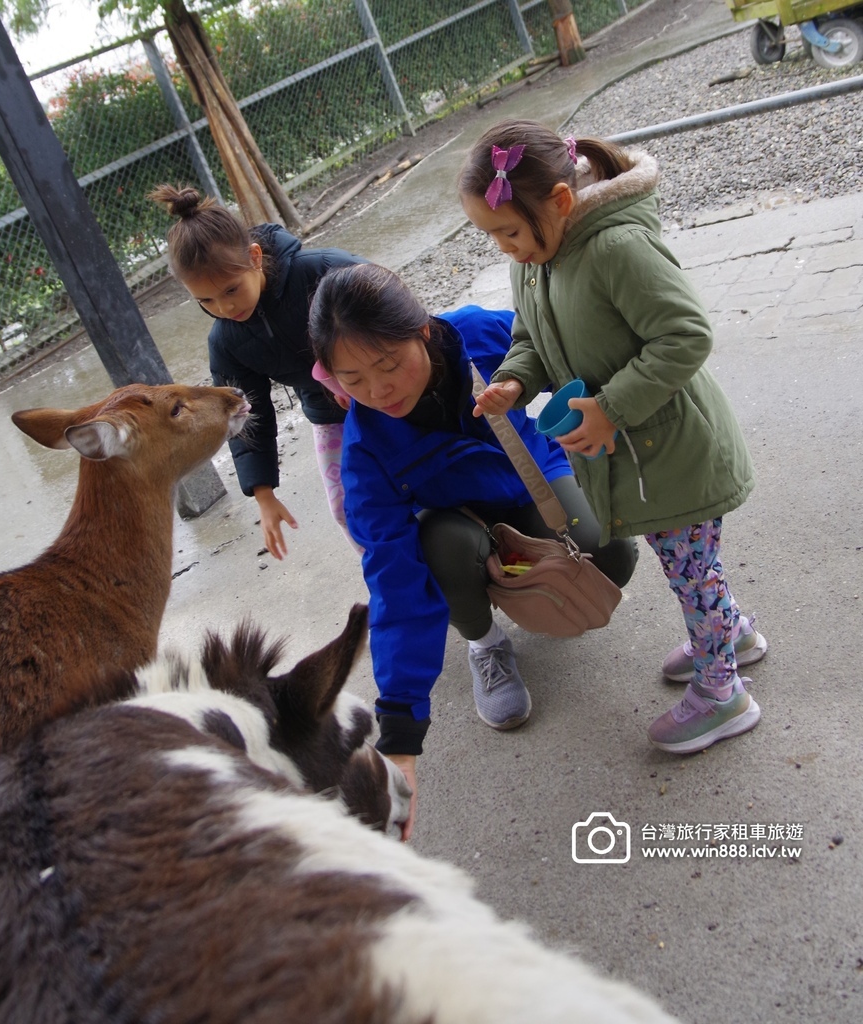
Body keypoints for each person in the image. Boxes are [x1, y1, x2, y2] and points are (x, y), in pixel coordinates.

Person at [458, 119, 767, 758]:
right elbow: (531, 338)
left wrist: (610, 408)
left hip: (674, 450)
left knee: (692, 572)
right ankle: (731, 635)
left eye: (508, 232)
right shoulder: (537, 261)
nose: (503, 248)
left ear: (560, 201)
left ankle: (723, 694)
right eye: (490, 236)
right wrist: (514, 380)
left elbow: (686, 335)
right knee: (690, 564)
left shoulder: (616, 248)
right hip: (636, 454)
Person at [308, 263, 638, 838]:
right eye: (353, 379)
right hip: (456, 523)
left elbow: (563, 347)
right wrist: (400, 736)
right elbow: (394, 587)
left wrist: (607, 403)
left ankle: (521, 575)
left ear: (423, 331)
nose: (378, 392)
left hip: (532, 479)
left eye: (389, 364)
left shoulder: (479, 335)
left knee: (609, 551)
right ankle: (485, 642)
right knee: (436, 547)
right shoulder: (365, 452)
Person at [149, 184, 367, 558]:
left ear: (254, 257)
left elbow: (395, 312)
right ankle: (396, 581)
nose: (224, 308)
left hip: (387, 386)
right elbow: (247, 415)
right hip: (329, 414)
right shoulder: (226, 342)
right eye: (205, 300)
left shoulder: (324, 271)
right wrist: (263, 494)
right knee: (346, 508)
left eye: (231, 290)